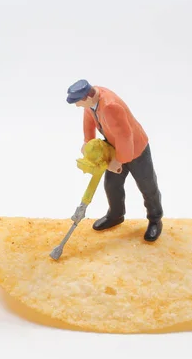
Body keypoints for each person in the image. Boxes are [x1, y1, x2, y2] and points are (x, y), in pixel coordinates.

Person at [66, 79, 164, 242]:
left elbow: (126, 136)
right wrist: (88, 143)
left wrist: (118, 161)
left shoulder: (110, 106)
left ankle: (155, 219)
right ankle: (116, 215)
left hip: (136, 149)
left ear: (86, 98)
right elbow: (88, 120)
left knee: (147, 187)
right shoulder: (91, 103)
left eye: (77, 102)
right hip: (115, 148)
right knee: (111, 185)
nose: (77, 106)